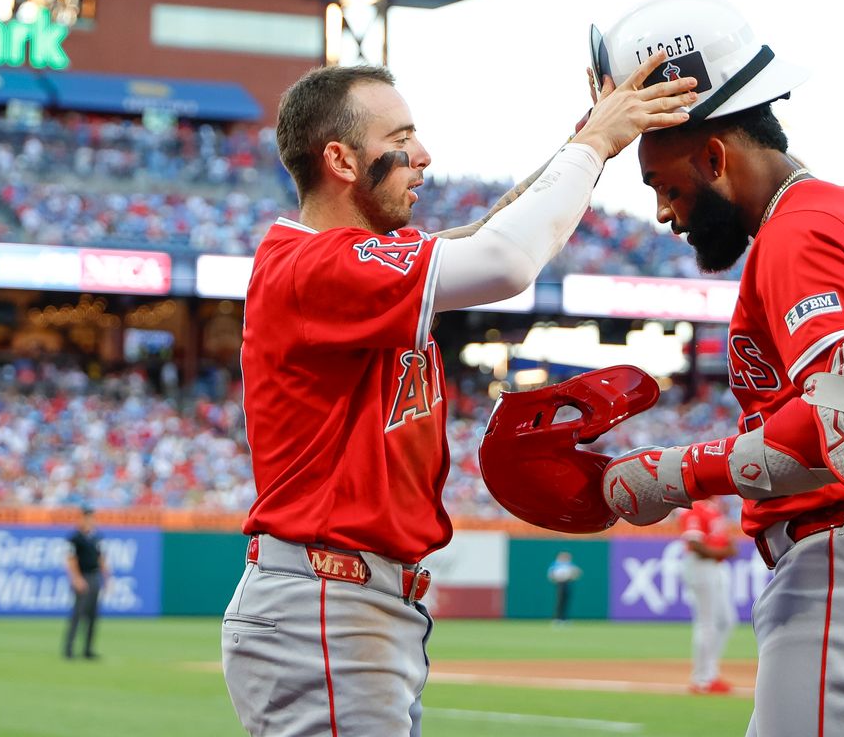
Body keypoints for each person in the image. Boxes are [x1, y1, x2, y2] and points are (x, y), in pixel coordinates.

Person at [220, 51, 697, 737]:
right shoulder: (312, 264)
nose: (424, 155)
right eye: (401, 139)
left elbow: (484, 234)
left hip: (355, 603)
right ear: (342, 161)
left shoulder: (346, 262)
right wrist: (594, 146)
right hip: (327, 599)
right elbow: (504, 261)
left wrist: (583, 141)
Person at [592, 0, 844, 735]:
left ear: (715, 156)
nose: (663, 212)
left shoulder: (799, 230)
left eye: (666, 185)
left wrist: (672, 474)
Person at [680, 499, 737, 694]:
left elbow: (727, 541)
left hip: (716, 567)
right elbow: (694, 544)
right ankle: (702, 679)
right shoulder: (694, 507)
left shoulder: (715, 508)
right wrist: (722, 551)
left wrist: (725, 550)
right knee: (707, 623)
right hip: (700, 566)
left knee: (726, 621)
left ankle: (710, 673)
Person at [63, 505, 110, 660]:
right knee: (78, 614)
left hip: (94, 575)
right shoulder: (75, 537)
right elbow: (71, 560)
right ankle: (69, 649)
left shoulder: (97, 537)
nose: (90, 520)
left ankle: (88, 649)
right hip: (82, 576)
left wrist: (107, 578)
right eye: (87, 517)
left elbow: (101, 558)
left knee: (93, 615)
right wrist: (76, 578)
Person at [546, 550, 582, 624]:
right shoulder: (556, 564)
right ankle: (557, 618)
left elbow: (577, 572)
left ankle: (564, 619)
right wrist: (555, 579)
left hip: (568, 583)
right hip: (560, 583)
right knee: (560, 601)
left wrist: (573, 576)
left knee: (566, 602)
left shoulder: (570, 564)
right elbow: (551, 574)